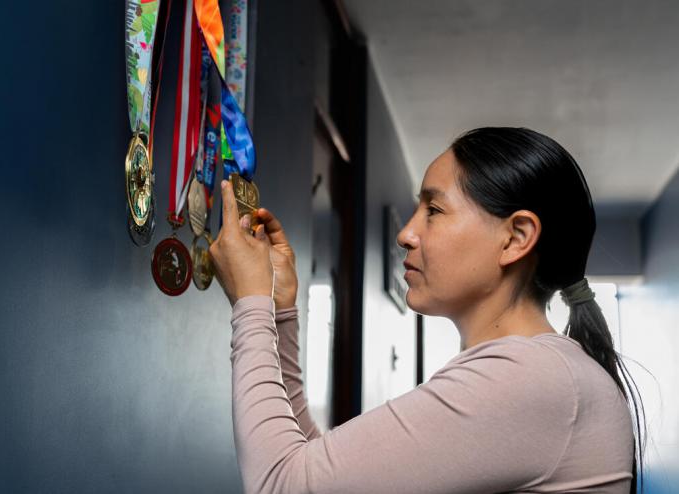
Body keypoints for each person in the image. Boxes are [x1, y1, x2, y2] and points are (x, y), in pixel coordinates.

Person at [208, 127, 645, 494]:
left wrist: (250, 304)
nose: (405, 234)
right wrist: (280, 311)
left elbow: (281, 485)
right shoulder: (541, 371)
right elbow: (315, 469)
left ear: (515, 238)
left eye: (433, 210)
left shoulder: (531, 377)